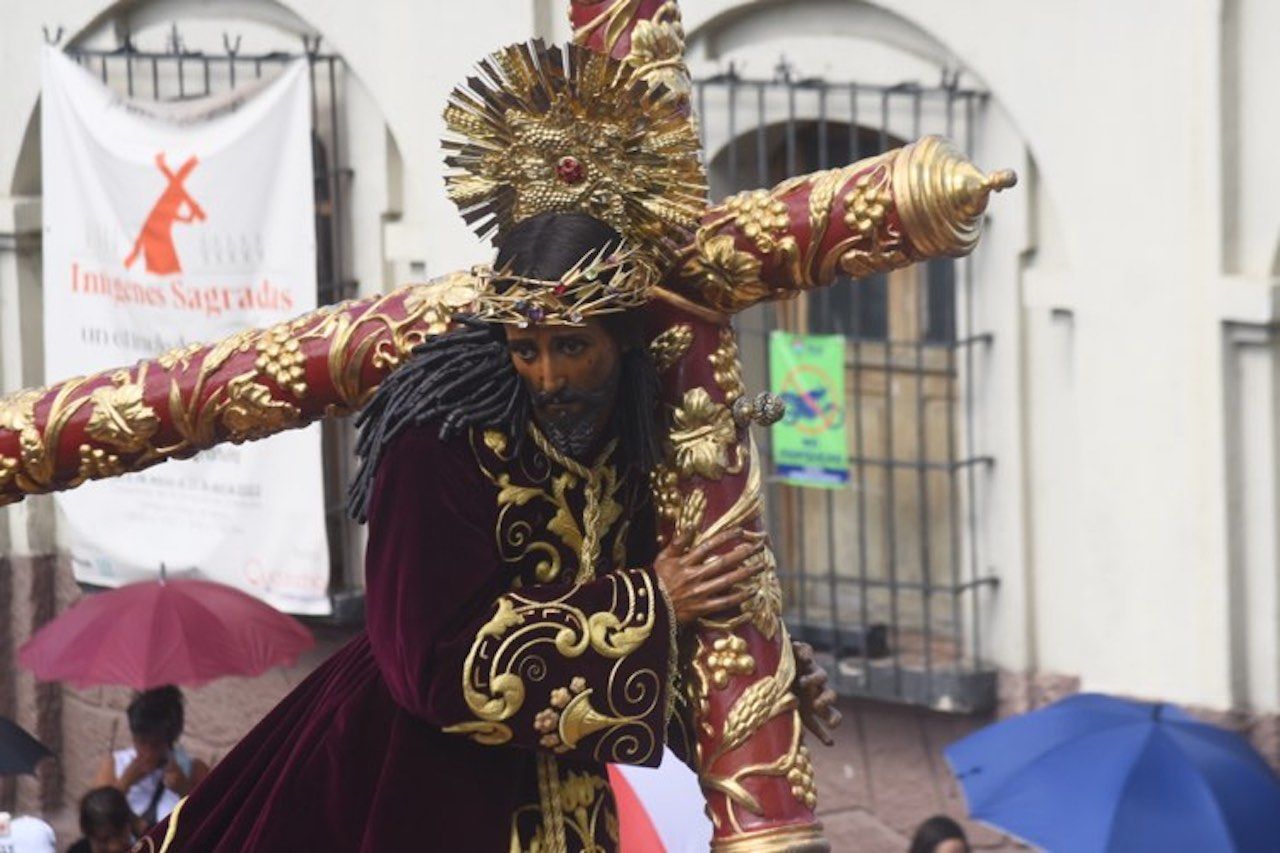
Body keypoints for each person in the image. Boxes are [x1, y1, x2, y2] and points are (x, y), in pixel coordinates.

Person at [136, 43, 837, 853]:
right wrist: (649, 606)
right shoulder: (440, 436)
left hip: (574, 803)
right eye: (525, 346)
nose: (548, 376)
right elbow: (430, 664)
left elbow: (669, 619)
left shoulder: (644, 431)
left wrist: (756, 674)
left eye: (573, 347)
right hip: (410, 786)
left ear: (623, 339)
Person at [93, 686, 208, 830]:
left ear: (170, 739)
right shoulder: (114, 766)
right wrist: (124, 783)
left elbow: (210, 824)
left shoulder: (193, 770)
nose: (147, 751)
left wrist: (185, 790)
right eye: (141, 742)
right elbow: (95, 821)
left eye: (155, 744)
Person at [67, 788, 134, 853]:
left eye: (118, 835)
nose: (114, 847)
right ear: (90, 837)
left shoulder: (142, 844)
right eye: (104, 840)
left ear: (128, 826)